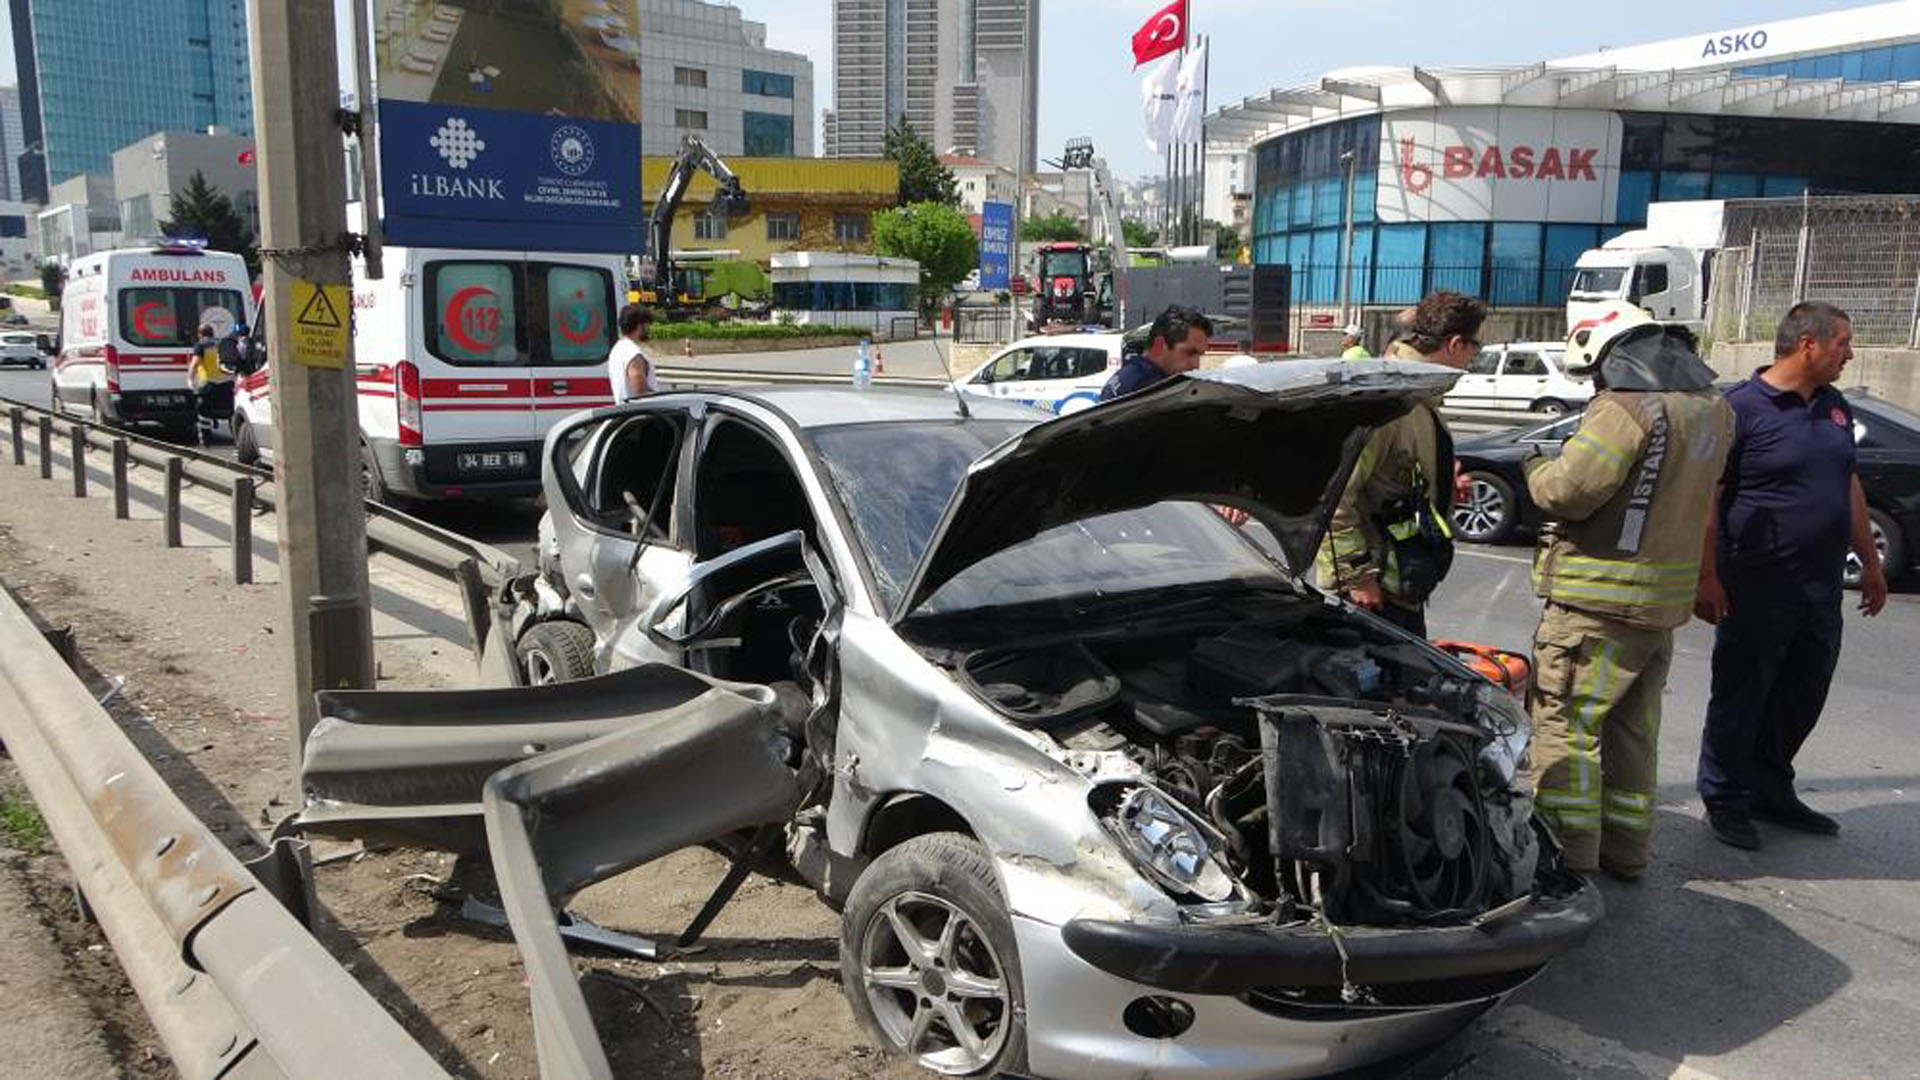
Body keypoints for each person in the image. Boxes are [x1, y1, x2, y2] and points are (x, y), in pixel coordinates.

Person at [1524, 302, 1733, 880]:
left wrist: (1533, 468)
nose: (1595, 384)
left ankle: (1568, 856)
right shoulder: (1713, 408)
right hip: (1659, 610)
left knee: (1567, 727)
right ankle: (1626, 851)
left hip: (1596, 605)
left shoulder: (1623, 409)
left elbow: (1568, 491)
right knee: (1632, 730)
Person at [1694, 301, 1887, 850]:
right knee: (1742, 693)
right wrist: (1706, 576)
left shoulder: (1834, 406)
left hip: (1820, 584)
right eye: (1843, 343)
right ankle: (1726, 798)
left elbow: (1846, 481)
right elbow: (1710, 495)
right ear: (1809, 344)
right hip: (1755, 582)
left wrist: (1869, 564)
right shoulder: (1738, 408)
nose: (1850, 354)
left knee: (1803, 691)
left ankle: (1770, 789)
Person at [1317, 290, 1485, 636]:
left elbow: (1391, 475)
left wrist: (1440, 483)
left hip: (1398, 587)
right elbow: (1331, 496)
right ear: (1455, 344)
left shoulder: (1417, 396)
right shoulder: (1389, 402)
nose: (1474, 357)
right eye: (1476, 347)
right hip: (1369, 597)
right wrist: (1357, 577)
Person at [1098, 305, 1214, 401]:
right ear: (1160, 345)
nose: (1196, 365)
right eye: (1189, 353)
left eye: (1199, 356)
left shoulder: (1131, 372)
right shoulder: (1149, 388)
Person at [187, 324, 232, 446]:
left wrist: (190, 380)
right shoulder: (221, 344)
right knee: (230, 412)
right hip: (227, 382)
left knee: (204, 412)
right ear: (213, 333)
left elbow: (195, 364)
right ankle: (237, 440)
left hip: (208, 383)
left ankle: (206, 439)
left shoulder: (200, 345)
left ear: (199, 334)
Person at [608, 303, 658, 403]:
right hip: (639, 415)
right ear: (639, 325)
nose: (648, 329)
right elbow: (640, 395)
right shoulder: (634, 354)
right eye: (647, 324)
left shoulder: (617, 349)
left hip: (624, 412)